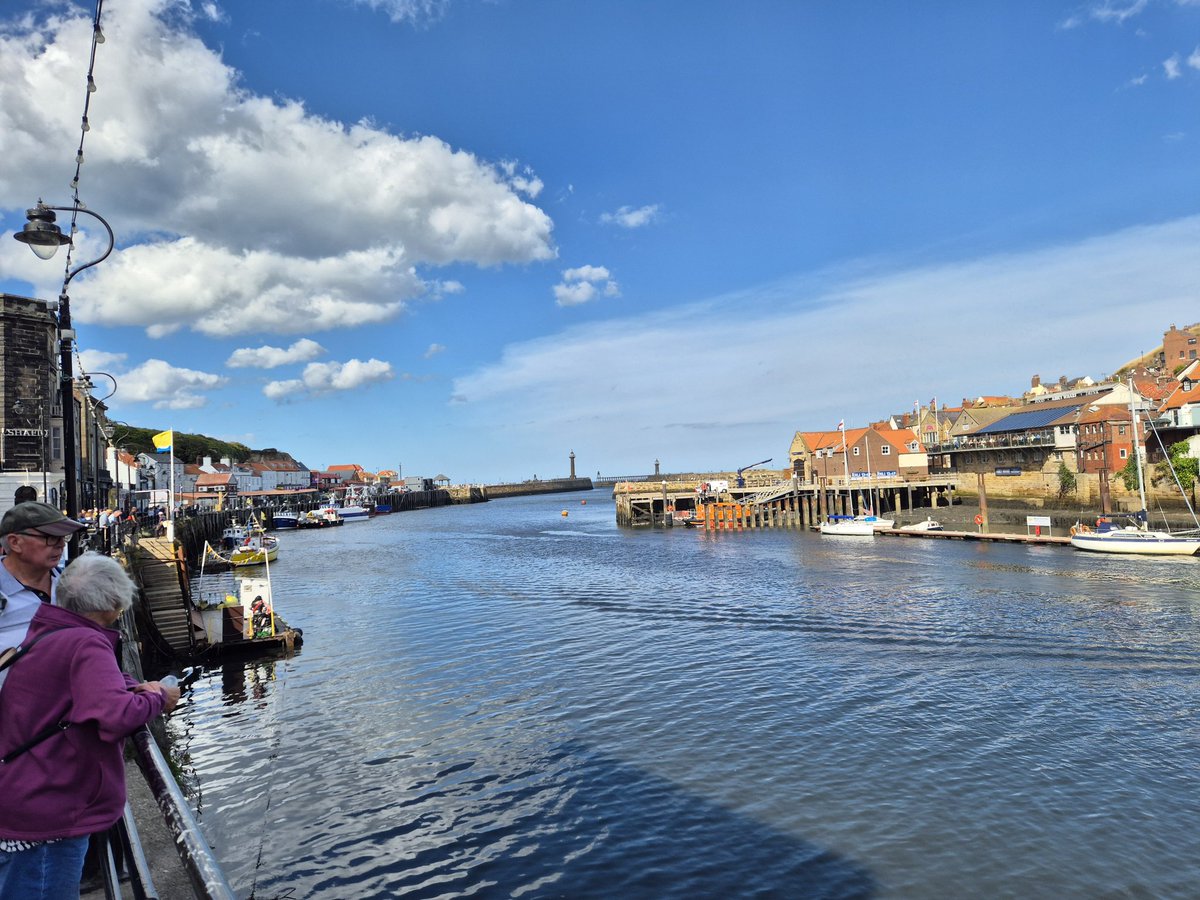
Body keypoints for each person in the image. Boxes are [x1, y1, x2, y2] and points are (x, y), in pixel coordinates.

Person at [0, 552, 180, 899]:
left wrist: (130, 686)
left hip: (25, 796)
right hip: (49, 811)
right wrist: (160, 697)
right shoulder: (87, 642)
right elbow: (116, 716)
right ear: (113, 601)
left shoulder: (48, 628)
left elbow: (82, 685)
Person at [0, 503, 87, 692]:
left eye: (64, 537)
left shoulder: (71, 586)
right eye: (50, 537)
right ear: (15, 542)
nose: (61, 544)